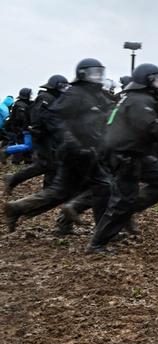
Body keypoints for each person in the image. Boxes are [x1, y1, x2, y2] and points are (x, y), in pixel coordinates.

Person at [4, 58, 112, 234]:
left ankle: (18, 208)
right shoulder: (75, 93)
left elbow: (105, 113)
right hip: (76, 150)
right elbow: (56, 116)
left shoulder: (94, 94)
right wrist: (70, 138)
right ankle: (103, 232)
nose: (98, 76)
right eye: (94, 72)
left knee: (62, 191)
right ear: (83, 74)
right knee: (103, 185)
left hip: (83, 149)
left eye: (100, 72)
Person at [88, 63, 158, 253]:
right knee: (123, 202)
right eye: (156, 79)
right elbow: (150, 129)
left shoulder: (136, 98)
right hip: (124, 156)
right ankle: (97, 243)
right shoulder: (139, 101)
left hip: (136, 154)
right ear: (147, 81)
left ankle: (126, 210)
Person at [4, 75, 69, 194]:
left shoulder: (55, 99)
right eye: (62, 86)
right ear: (55, 86)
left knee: (51, 163)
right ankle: (14, 178)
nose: (64, 89)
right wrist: (37, 129)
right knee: (46, 164)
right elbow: (38, 116)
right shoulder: (45, 97)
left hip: (50, 135)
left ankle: (48, 189)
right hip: (42, 135)